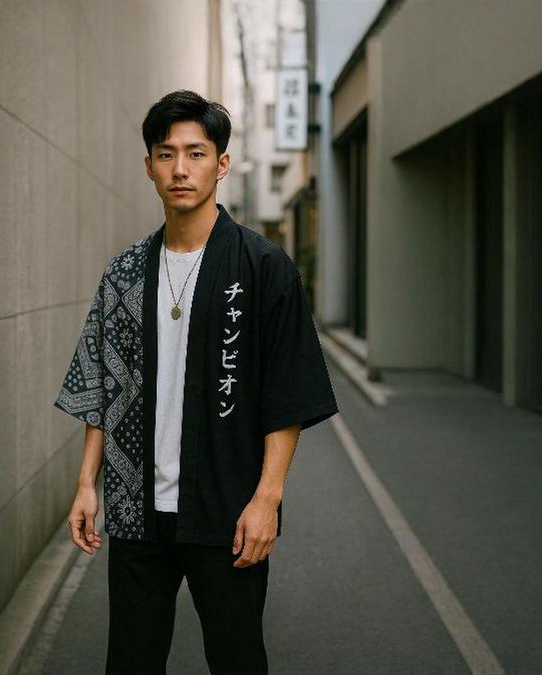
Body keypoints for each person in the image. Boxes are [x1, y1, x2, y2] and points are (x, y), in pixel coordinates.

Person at [52, 89, 338, 675]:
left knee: (236, 659)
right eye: (165, 154)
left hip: (226, 508)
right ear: (149, 165)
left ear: (221, 164)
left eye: (196, 153)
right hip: (137, 510)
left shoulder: (263, 268)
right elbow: (102, 381)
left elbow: (287, 395)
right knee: (130, 661)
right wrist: (87, 484)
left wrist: (267, 499)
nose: (180, 168)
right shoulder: (126, 271)